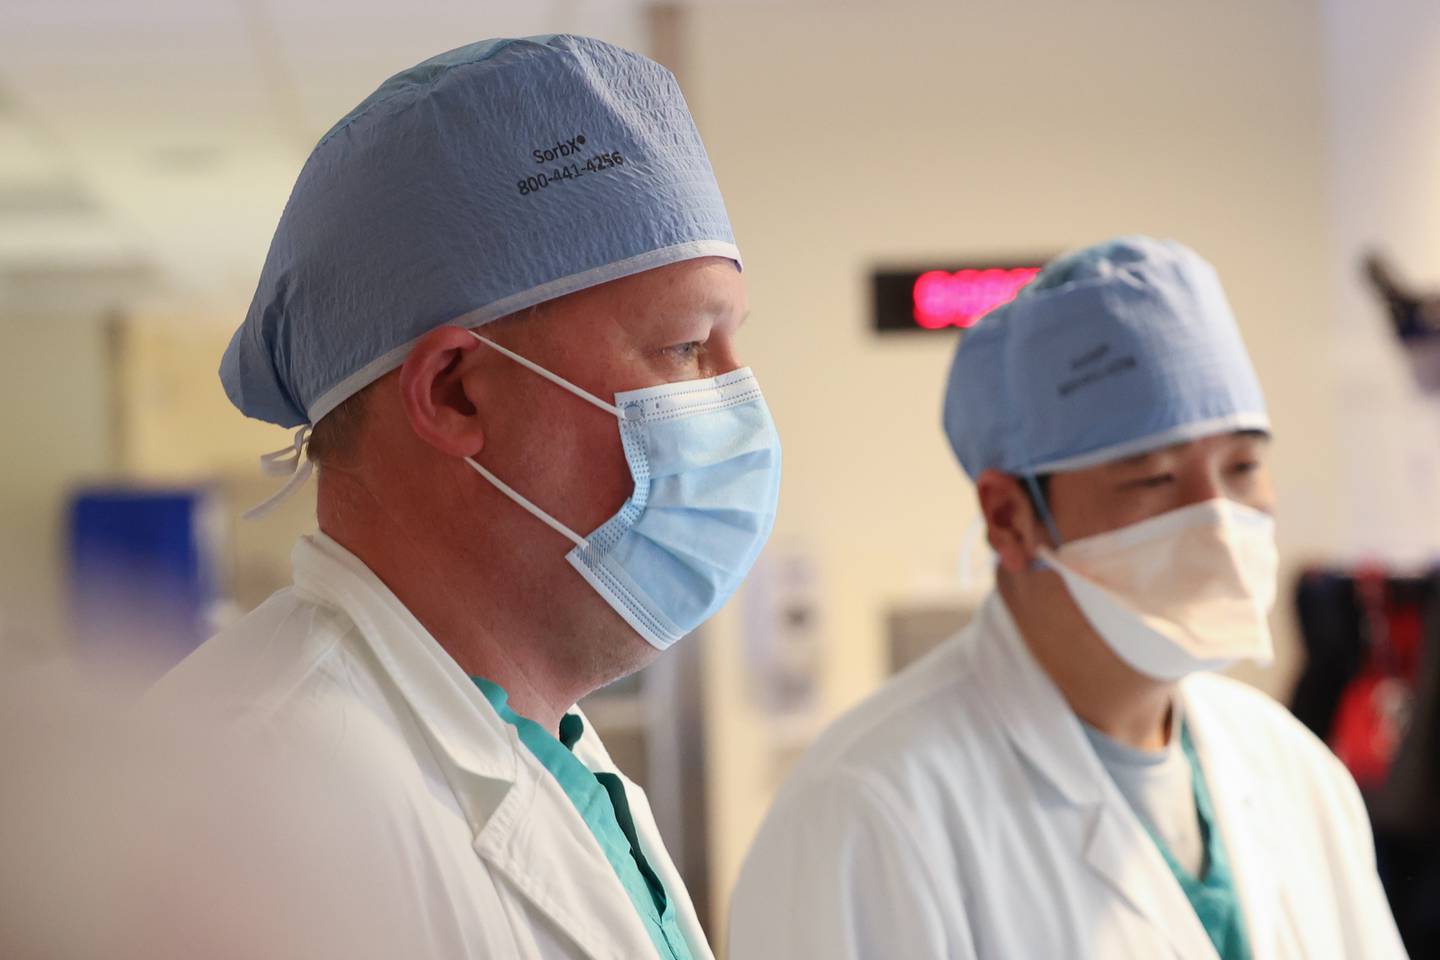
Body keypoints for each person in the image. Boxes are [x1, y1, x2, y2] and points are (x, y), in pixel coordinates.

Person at [144, 35, 780, 960]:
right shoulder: (250, 810)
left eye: (731, 343)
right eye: (686, 346)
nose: (736, 401)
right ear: (454, 392)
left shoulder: (553, 761)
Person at [728, 237, 1405, 959]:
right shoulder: (865, 814)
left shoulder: (1297, 774)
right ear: (1010, 519)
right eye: (1153, 479)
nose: (1217, 518)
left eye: (1242, 466)